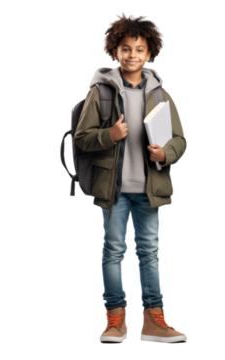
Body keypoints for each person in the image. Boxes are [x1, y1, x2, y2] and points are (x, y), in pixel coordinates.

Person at [76, 11, 188, 344]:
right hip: (113, 189)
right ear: (114, 50)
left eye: (139, 49)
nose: (132, 55)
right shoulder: (101, 91)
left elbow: (180, 141)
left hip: (149, 188)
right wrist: (109, 134)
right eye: (125, 48)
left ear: (150, 52)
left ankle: (155, 321)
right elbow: (82, 138)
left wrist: (164, 154)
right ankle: (115, 321)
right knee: (112, 251)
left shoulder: (161, 94)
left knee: (149, 252)